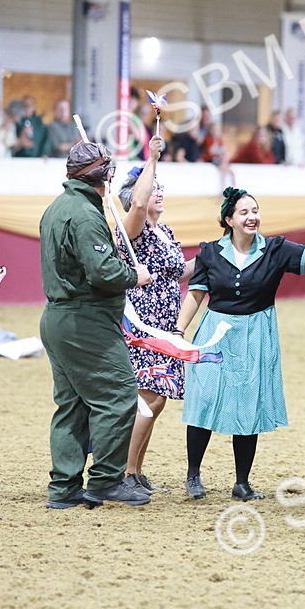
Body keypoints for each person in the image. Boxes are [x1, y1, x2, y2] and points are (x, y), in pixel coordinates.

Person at [174, 188, 305, 501]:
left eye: (254, 211)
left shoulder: (275, 249)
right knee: (204, 400)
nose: (251, 217)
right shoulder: (210, 253)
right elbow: (196, 294)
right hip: (216, 332)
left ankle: (242, 483)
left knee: (247, 405)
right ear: (229, 219)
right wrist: (178, 330)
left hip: (256, 333)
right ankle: (193, 475)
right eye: (243, 212)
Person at [39, 141, 153, 509]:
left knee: (71, 405)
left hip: (58, 317)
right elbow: (103, 272)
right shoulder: (87, 216)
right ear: (104, 176)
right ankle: (105, 480)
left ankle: (65, 487)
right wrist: (133, 275)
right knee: (119, 395)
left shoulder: (56, 208)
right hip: (85, 320)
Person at [118, 135, 194, 494]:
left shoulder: (165, 231)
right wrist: (152, 158)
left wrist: (216, 256)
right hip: (144, 322)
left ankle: (136, 471)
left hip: (166, 323)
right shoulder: (135, 229)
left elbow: (178, 273)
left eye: (161, 188)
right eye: (153, 189)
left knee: (156, 398)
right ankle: (125, 472)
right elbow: (136, 205)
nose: (158, 193)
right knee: (151, 397)